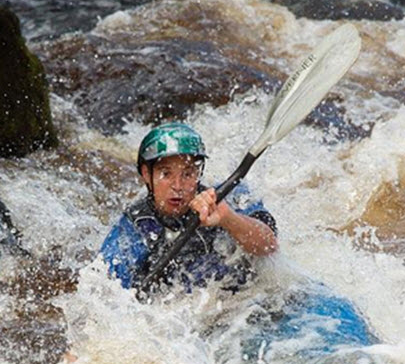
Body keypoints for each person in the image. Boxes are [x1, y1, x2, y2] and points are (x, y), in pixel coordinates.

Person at [100, 123, 278, 295]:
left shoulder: (227, 198)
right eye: (166, 174)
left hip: (246, 300)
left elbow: (269, 246)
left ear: (198, 173)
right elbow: (105, 292)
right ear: (147, 174)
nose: (178, 186)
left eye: (187, 174)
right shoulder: (134, 228)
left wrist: (228, 218)